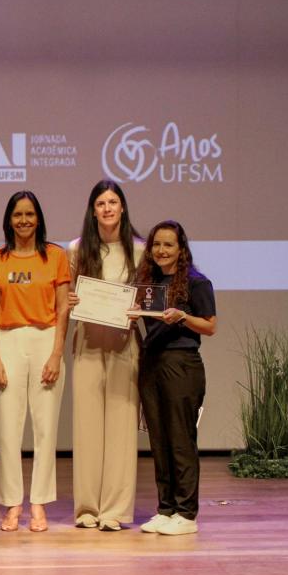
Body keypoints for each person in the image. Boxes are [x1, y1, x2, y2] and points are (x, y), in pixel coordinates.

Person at [0, 191, 70, 533]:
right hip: (7, 339)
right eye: (17, 214)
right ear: (9, 219)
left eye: (30, 214)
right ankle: (13, 503)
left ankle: (39, 503)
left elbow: (63, 308)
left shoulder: (55, 256)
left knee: (46, 428)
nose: (24, 220)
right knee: (8, 428)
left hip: (46, 338)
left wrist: (57, 353)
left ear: (38, 218)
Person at [68, 180, 145, 531]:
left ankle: (114, 510)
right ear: (93, 210)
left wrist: (139, 309)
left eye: (113, 202)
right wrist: (70, 299)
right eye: (101, 203)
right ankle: (87, 508)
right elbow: (67, 294)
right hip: (87, 340)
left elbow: (147, 297)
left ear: (123, 207)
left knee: (121, 426)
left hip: (124, 342)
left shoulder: (140, 250)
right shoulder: (77, 248)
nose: (107, 208)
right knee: (86, 427)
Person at [135, 221, 216, 536]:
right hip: (151, 363)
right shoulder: (148, 283)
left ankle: (186, 512)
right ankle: (166, 509)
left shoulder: (196, 282)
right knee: (159, 440)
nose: (161, 250)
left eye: (168, 245)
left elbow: (210, 326)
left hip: (182, 364)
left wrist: (182, 316)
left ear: (181, 249)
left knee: (181, 440)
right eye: (156, 244)